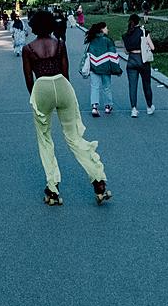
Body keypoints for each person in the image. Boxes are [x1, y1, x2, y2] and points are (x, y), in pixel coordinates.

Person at [22, 11, 112, 206]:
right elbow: (66, 72)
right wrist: (66, 96)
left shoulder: (28, 49)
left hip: (41, 88)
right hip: (62, 86)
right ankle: (98, 181)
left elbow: (29, 79)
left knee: (45, 139)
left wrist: (36, 99)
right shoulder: (60, 45)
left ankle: (52, 188)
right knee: (74, 137)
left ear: (34, 26)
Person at [84, 21, 121, 117]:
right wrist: (117, 70)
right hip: (106, 68)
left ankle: (94, 107)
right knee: (106, 87)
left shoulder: (91, 40)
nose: (107, 29)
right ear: (102, 29)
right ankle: (107, 106)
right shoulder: (108, 40)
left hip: (94, 67)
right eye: (106, 28)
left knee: (94, 87)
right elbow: (113, 57)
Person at [122, 14, 156, 118]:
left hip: (131, 61)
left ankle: (134, 109)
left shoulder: (126, 35)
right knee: (146, 84)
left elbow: (126, 51)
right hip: (143, 60)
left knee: (132, 86)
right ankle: (149, 107)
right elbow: (152, 47)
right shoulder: (144, 32)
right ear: (138, 22)